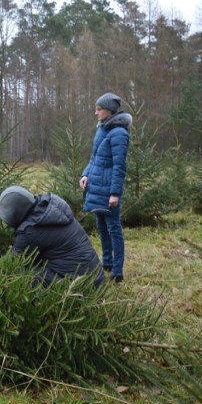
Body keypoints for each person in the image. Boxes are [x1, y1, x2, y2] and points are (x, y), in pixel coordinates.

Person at [0, 186, 105, 288]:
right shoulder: (47, 208)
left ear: (14, 214)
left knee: (20, 272)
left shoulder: (32, 230)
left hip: (81, 285)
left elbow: (9, 262)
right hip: (95, 277)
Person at [80, 92, 131, 283]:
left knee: (113, 229)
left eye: (98, 109)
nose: (96, 113)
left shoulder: (119, 133)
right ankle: (107, 262)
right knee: (102, 227)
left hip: (108, 191)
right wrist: (85, 174)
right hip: (96, 187)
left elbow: (119, 166)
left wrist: (115, 193)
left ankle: (117, 272)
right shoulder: (102, 129)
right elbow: (94, 159)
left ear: (108, 111)